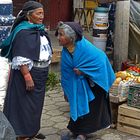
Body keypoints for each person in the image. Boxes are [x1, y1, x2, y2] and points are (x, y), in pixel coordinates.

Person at [0, 1, 52, 140]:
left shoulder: (38, 29)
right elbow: (20, 54)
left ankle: (32, 131)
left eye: (42, 12)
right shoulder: (23, 31)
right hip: (28, 74)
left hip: (40, 73)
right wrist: (27, 75)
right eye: (38, 13)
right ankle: (22, 134)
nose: (42, 16)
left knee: (36, 105)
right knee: (24, 105)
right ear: (29, 15)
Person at [55, 21, 116, 140]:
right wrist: (66, 91)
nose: (58, 37)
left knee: (90, 108)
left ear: (71, 37)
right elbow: (67, 73)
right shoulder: (67, 50)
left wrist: (84, 71)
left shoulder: (85, 48)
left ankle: (83, 133)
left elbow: (100, 60)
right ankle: (75, 130)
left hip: (94, 84)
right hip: (77, 84)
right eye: (58, 34)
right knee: (76, 104)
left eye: (61, 34)